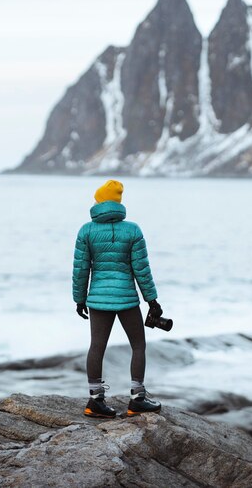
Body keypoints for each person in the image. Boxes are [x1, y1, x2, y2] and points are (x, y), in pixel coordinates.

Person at [72, 179, 163, 418]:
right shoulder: (132, 230)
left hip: (98, 300)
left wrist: (79, 299)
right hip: (127, 300)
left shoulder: (86, 231)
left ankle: (95, 401)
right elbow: (141, 269)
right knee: (138, 345)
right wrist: (152, 300)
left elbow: (81, 269)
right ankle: (137, 399)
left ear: (99, 201)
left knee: (96, 347)